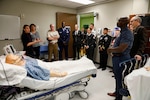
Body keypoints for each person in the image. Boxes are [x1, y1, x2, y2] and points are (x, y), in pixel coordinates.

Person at [107, 17, 134, 100]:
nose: (118, 22)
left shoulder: (127, 33)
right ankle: (117, 92)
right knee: (117, 77)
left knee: (120, 79)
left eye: (119, 21)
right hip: (117, 58)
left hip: (122, 59)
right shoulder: (122, 32)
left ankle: (119, 97)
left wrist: (110, 50)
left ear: (124, 22)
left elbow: (121, 49)